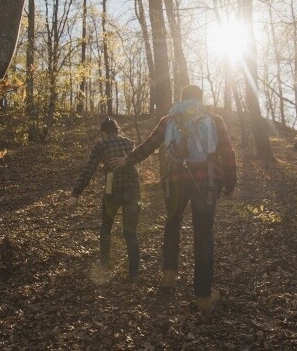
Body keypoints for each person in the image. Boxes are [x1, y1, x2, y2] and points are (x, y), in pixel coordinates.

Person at [111, 85, 236, 313]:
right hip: (206, 181)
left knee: (172, 225)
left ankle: (169, 276)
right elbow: (227, 153)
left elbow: (149, 144)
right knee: (203, 236)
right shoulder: (214, 119)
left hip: (175, 182)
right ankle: (204, 297)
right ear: (200, 98)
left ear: (180, 99)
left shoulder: (169, 120)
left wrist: (128, 160)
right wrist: (229, 185)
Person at [67, 118, 141, 280]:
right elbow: (136, 165)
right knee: (130, 233)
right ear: (117, 130)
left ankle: (105, 265)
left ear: (103, 132)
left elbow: (89, 170)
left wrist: (75, 194)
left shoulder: (101, 145)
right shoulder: (129, 143)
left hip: (112, 191)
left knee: (106, 227)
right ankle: (134, 273)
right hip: (133, 190)